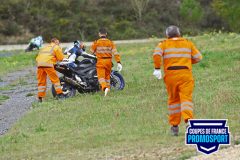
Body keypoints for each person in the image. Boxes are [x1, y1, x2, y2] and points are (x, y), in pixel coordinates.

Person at [152, 25, 203, 136]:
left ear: (167, 35)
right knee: (186, 99)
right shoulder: (188, 43)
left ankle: (174, 127)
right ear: (179, 34)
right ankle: (189, 121)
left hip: (171, 75)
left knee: (173, 101)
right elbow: (198, 57)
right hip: (185, 74)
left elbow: (156, 54)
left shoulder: (163, 44)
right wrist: (187, 62)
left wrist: (157, 68)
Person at [90, 28, 122, 96]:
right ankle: (107, 90)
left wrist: (96, 52)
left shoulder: (97, 42)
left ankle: (104, 88)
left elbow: (92, 51)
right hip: (109, 61)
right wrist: (118, 62)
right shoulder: (110, 42)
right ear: (106, 34)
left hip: (101, 61)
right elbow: (115, 53)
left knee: (101, 78)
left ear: (99, 34)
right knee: (107, 77)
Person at [36, 38, 65, 102]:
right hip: (48, 64)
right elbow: (61, 58)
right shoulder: (56, 47)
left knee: (41, 81)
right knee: (55, 80)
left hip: (40, 64)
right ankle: (60, 94)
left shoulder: (45, 47)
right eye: (58, 42)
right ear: (56, 42)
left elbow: (38, 57)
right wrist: (66, 56)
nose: (59, 44)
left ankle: (40, 97)